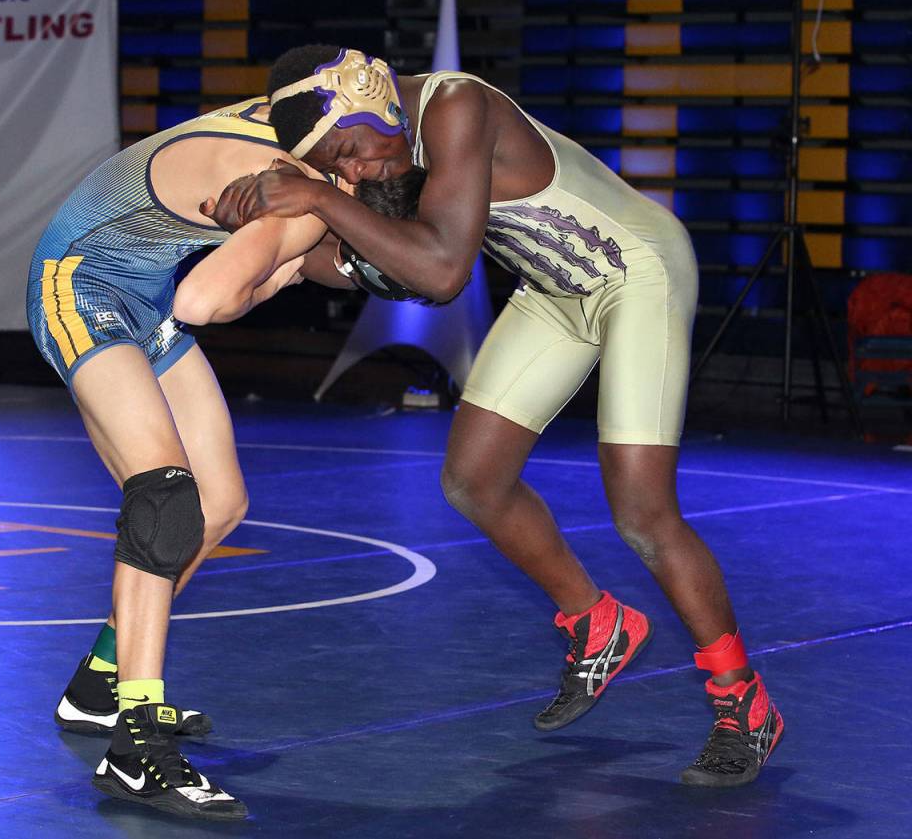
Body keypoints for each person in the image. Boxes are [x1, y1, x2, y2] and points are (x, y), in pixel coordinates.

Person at [202, 46, 784, 788]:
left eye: (348, 152)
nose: (353, 172)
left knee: (642, 510)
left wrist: (318, 202)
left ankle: (744, 703)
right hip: (556, 290)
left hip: (638, 268)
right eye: (336, 168)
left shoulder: (454, 107)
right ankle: (595, 620)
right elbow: (383, 266)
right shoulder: (381, 148)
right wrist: (255, 240)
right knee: (475, 479)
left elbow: (442, 272)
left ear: (368, 97)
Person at [28, 95, 413, 820]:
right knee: (166, 493)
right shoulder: (305, 206)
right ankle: (136, 747)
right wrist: (276, 271)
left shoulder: (318, 139)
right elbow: (206, 300)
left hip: (140, 295)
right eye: (357, 269)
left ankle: (100, 683)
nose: (346, 279)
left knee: (220, 501)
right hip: (79, 282)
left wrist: (278, 268)